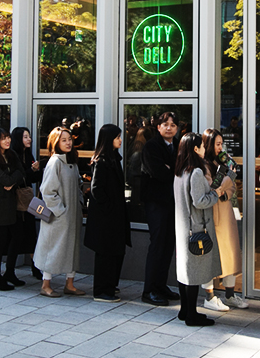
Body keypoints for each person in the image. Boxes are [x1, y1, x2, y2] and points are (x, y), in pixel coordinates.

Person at [173, 132, 231, 327]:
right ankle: (191, 314)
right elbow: (200, 201)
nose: (205, 149)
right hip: (197, 227)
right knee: (194, 272)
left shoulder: (180, 171)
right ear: (196, 149)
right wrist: (216, 193)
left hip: (184, 227)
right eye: (202, 146)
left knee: (185, 271)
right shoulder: (196, 172)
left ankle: (185, 310)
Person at [34, 126, 84, 298]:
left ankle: (70, 284)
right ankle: (45, 285)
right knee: (52, 249)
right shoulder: (55, 162)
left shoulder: (72, 161)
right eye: (63, 140)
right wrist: (61, 211)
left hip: (72, 215)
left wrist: (79, 203)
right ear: (55, 142)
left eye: (69, 139)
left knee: (72, 249)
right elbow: (47, 191)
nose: (68, 143)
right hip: (58, 217)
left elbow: (78, 184)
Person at [200, 128, 247, 312]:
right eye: (217, 144)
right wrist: (227, 178)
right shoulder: (203, 165)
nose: (220, 148)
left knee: (231, 253)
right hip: (212, 214)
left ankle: (230, 294)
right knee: (211, 256)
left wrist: (226, 186)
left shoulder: (221, 162)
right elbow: (213, 188)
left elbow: (230, 188)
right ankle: (209, 296)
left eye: (221, 144)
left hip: (226, 212)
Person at [85, 124, 131, 303]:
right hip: (106, 218)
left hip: (114, 216)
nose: (120, 140)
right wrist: (110, 208)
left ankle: (110, 285)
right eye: (117, 137)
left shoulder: (113, 159)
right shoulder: (102, 161)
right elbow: (97, 189)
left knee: (115, 252)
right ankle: (102, 290)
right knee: (106, 254)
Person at [140, 112, 181, 306]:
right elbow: (158, 172)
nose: (169, 128)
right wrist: (172, 171)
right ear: (158, 127)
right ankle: (149, 290)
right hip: (156, 202)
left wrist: (170, 169)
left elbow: (183, 170)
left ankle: (161, 285)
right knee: (157, 245)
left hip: (174, 202)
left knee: (168, 244)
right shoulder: (151, 146)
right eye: (165, 124)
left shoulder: (179, 145)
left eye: (173, 125)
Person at [0, 127, 25, 291]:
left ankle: (10, 272)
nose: (7, 140)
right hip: (0, 205)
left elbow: (21, 172)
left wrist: (12, 180)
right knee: (0, 242)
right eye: (3, 138)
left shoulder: (11, 154)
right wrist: (11, 179)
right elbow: (5, 180)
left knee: (17, 238)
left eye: (8, 137)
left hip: (14, 204)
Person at [10, 127, 43, 280]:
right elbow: (19, 177)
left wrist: (37, 170)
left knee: (31, 233)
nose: (29, 139)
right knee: (16, 236)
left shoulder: (28, 154)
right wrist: (31, 170)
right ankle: (10, 270)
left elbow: (32, 178)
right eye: (25, 137)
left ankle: (35, 267)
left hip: (28, 200)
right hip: (15, 201)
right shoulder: (13, 156)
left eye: (29, 136)